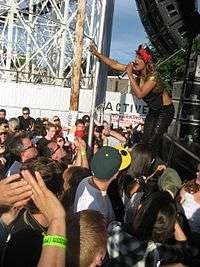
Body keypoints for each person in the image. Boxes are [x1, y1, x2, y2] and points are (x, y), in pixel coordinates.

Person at [90, 43, 175, 155]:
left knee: (152, 141)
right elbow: (115, 64)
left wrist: (129, 74)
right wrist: (97, 54)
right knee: (144, 141)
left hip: (165, 111)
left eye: (139, 58)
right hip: (154, 110)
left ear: (146, 61)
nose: (135, 60)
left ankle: (154, 164)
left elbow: (140, 94)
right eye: (136, 57)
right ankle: (144, 164)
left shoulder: (153, 76)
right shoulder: (138, 72)